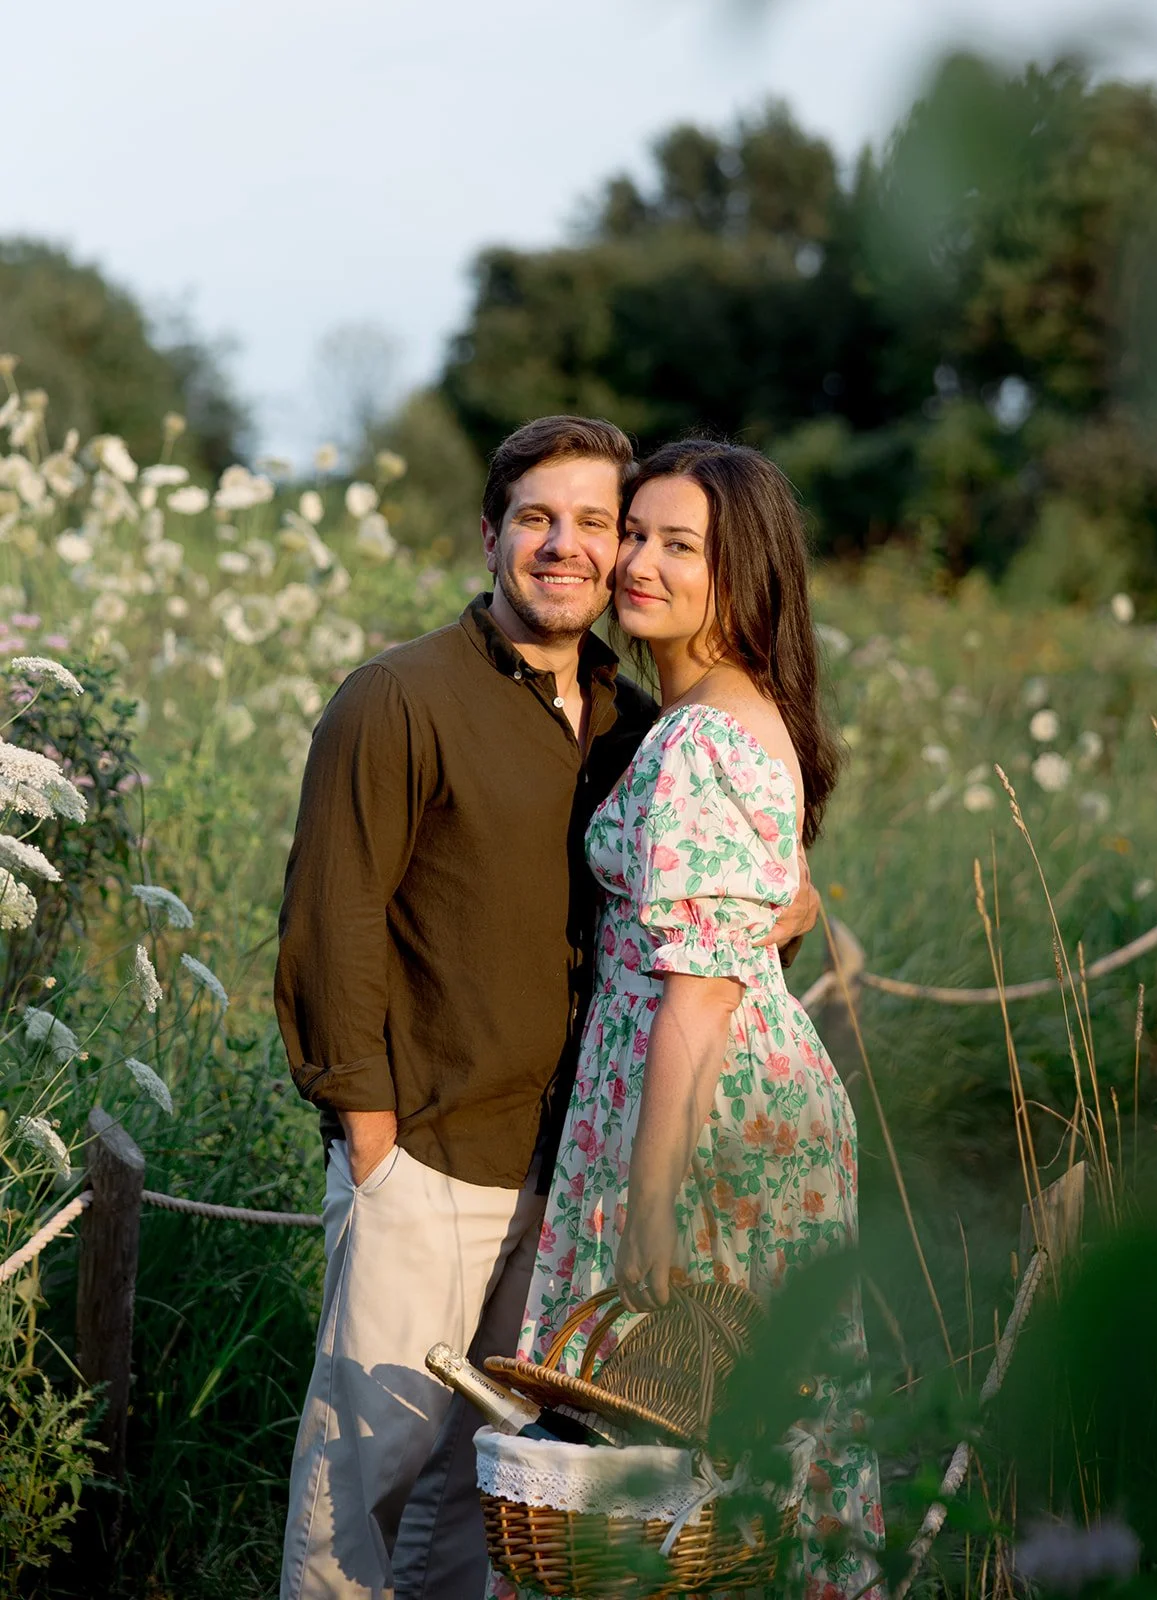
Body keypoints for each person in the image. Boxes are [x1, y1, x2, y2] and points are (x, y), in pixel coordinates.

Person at [274, 417, 819, 1600]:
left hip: (575, 1161)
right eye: (540, 518)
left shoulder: (638, 723)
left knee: (493, 1486)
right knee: (358, 1481)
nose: (575, 549)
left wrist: (794, 897)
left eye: (601, 524)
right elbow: (330, 930)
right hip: (430, 1153)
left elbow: (726, 876)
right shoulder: (398, 696)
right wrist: (372, 1141)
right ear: (491, 534)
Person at [492, 441, 884, 1600]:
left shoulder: (704, 737)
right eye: (640, 535)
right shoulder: (715, 713)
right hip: (711, 1085)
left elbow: (701, 990)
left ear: (743, 571)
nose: (639, 566)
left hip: (702, 1117)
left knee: (676, 1424)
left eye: (681, 545)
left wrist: (647, 1202)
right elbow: (757, 907)